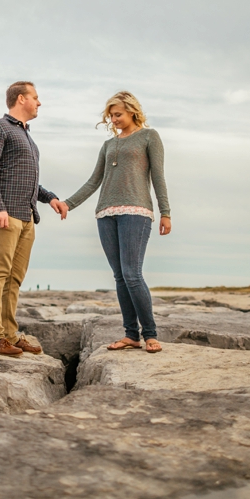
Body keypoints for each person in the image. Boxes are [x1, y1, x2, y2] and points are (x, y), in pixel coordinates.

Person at [63, 91, 171, 354]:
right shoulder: (108, 145)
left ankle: (151, 334)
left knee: (132, 274)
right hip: (105, 214)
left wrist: (165, 211)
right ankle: (131, 335)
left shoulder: (149, 137)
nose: (114, 119)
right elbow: (93, 181)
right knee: (120, 277)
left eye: (118, 114)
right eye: (111, 115)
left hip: (136, 212)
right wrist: (68, 204)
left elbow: (158, 176)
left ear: (132, 111)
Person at [0, 81, 69, 357]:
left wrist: (51, 197)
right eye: (36, 97)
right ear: (21, 99)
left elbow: (29, 182)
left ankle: (9, 334)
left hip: (26, 217)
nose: (39, 102)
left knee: (14, 279)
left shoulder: (29, 138)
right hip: (4, 214)